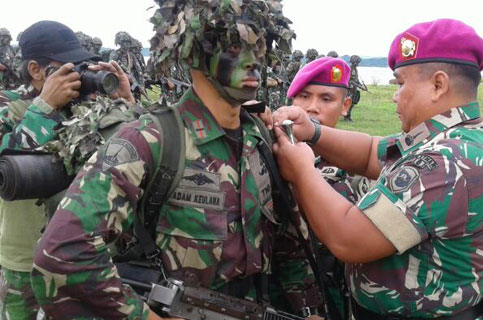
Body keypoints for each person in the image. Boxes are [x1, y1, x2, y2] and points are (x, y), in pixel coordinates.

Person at [31, 1, 322, 319]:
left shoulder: (262, 138)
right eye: (236, 46)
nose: (254, 62)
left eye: (260, 46)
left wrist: (308, 309)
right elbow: (63, 252)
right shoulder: (150, 140)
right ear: (193, 55)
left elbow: (288, 241)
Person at [272, 19, 483, 319]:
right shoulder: (449, 137)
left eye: (400, 83)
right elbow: (373, 152)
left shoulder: (447, 158)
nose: (394, 95)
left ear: (438, 85)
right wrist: (315, 132)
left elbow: (348, 238)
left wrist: (301, 169)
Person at [0, 20, 134, 320]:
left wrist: (126, 103)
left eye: (84, 65)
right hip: (26, 264)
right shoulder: (11, 107)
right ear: (36, 70)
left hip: (87, 260)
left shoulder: (87, 108)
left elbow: (131, 157)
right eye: (69, 67)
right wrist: (43, 107)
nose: (79, 74)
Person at [286, 56, 371, 319]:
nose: (312, 108)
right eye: (303, 96)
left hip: (333, 300)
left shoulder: (360, 172)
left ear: (345, 105)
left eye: (326, 99)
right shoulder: (270, 153)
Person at [343, 55, 367, 122]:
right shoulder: (350, 69)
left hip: (354, 88)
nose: (358, 64)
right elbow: (350, 80)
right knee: (349, 102)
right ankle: (346, 117)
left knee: (353, 102)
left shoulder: (355, 69)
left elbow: (356, 79)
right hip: (350, 88)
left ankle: (348, 116)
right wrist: (360, 86)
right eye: (357, 62)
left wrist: (361, 85)